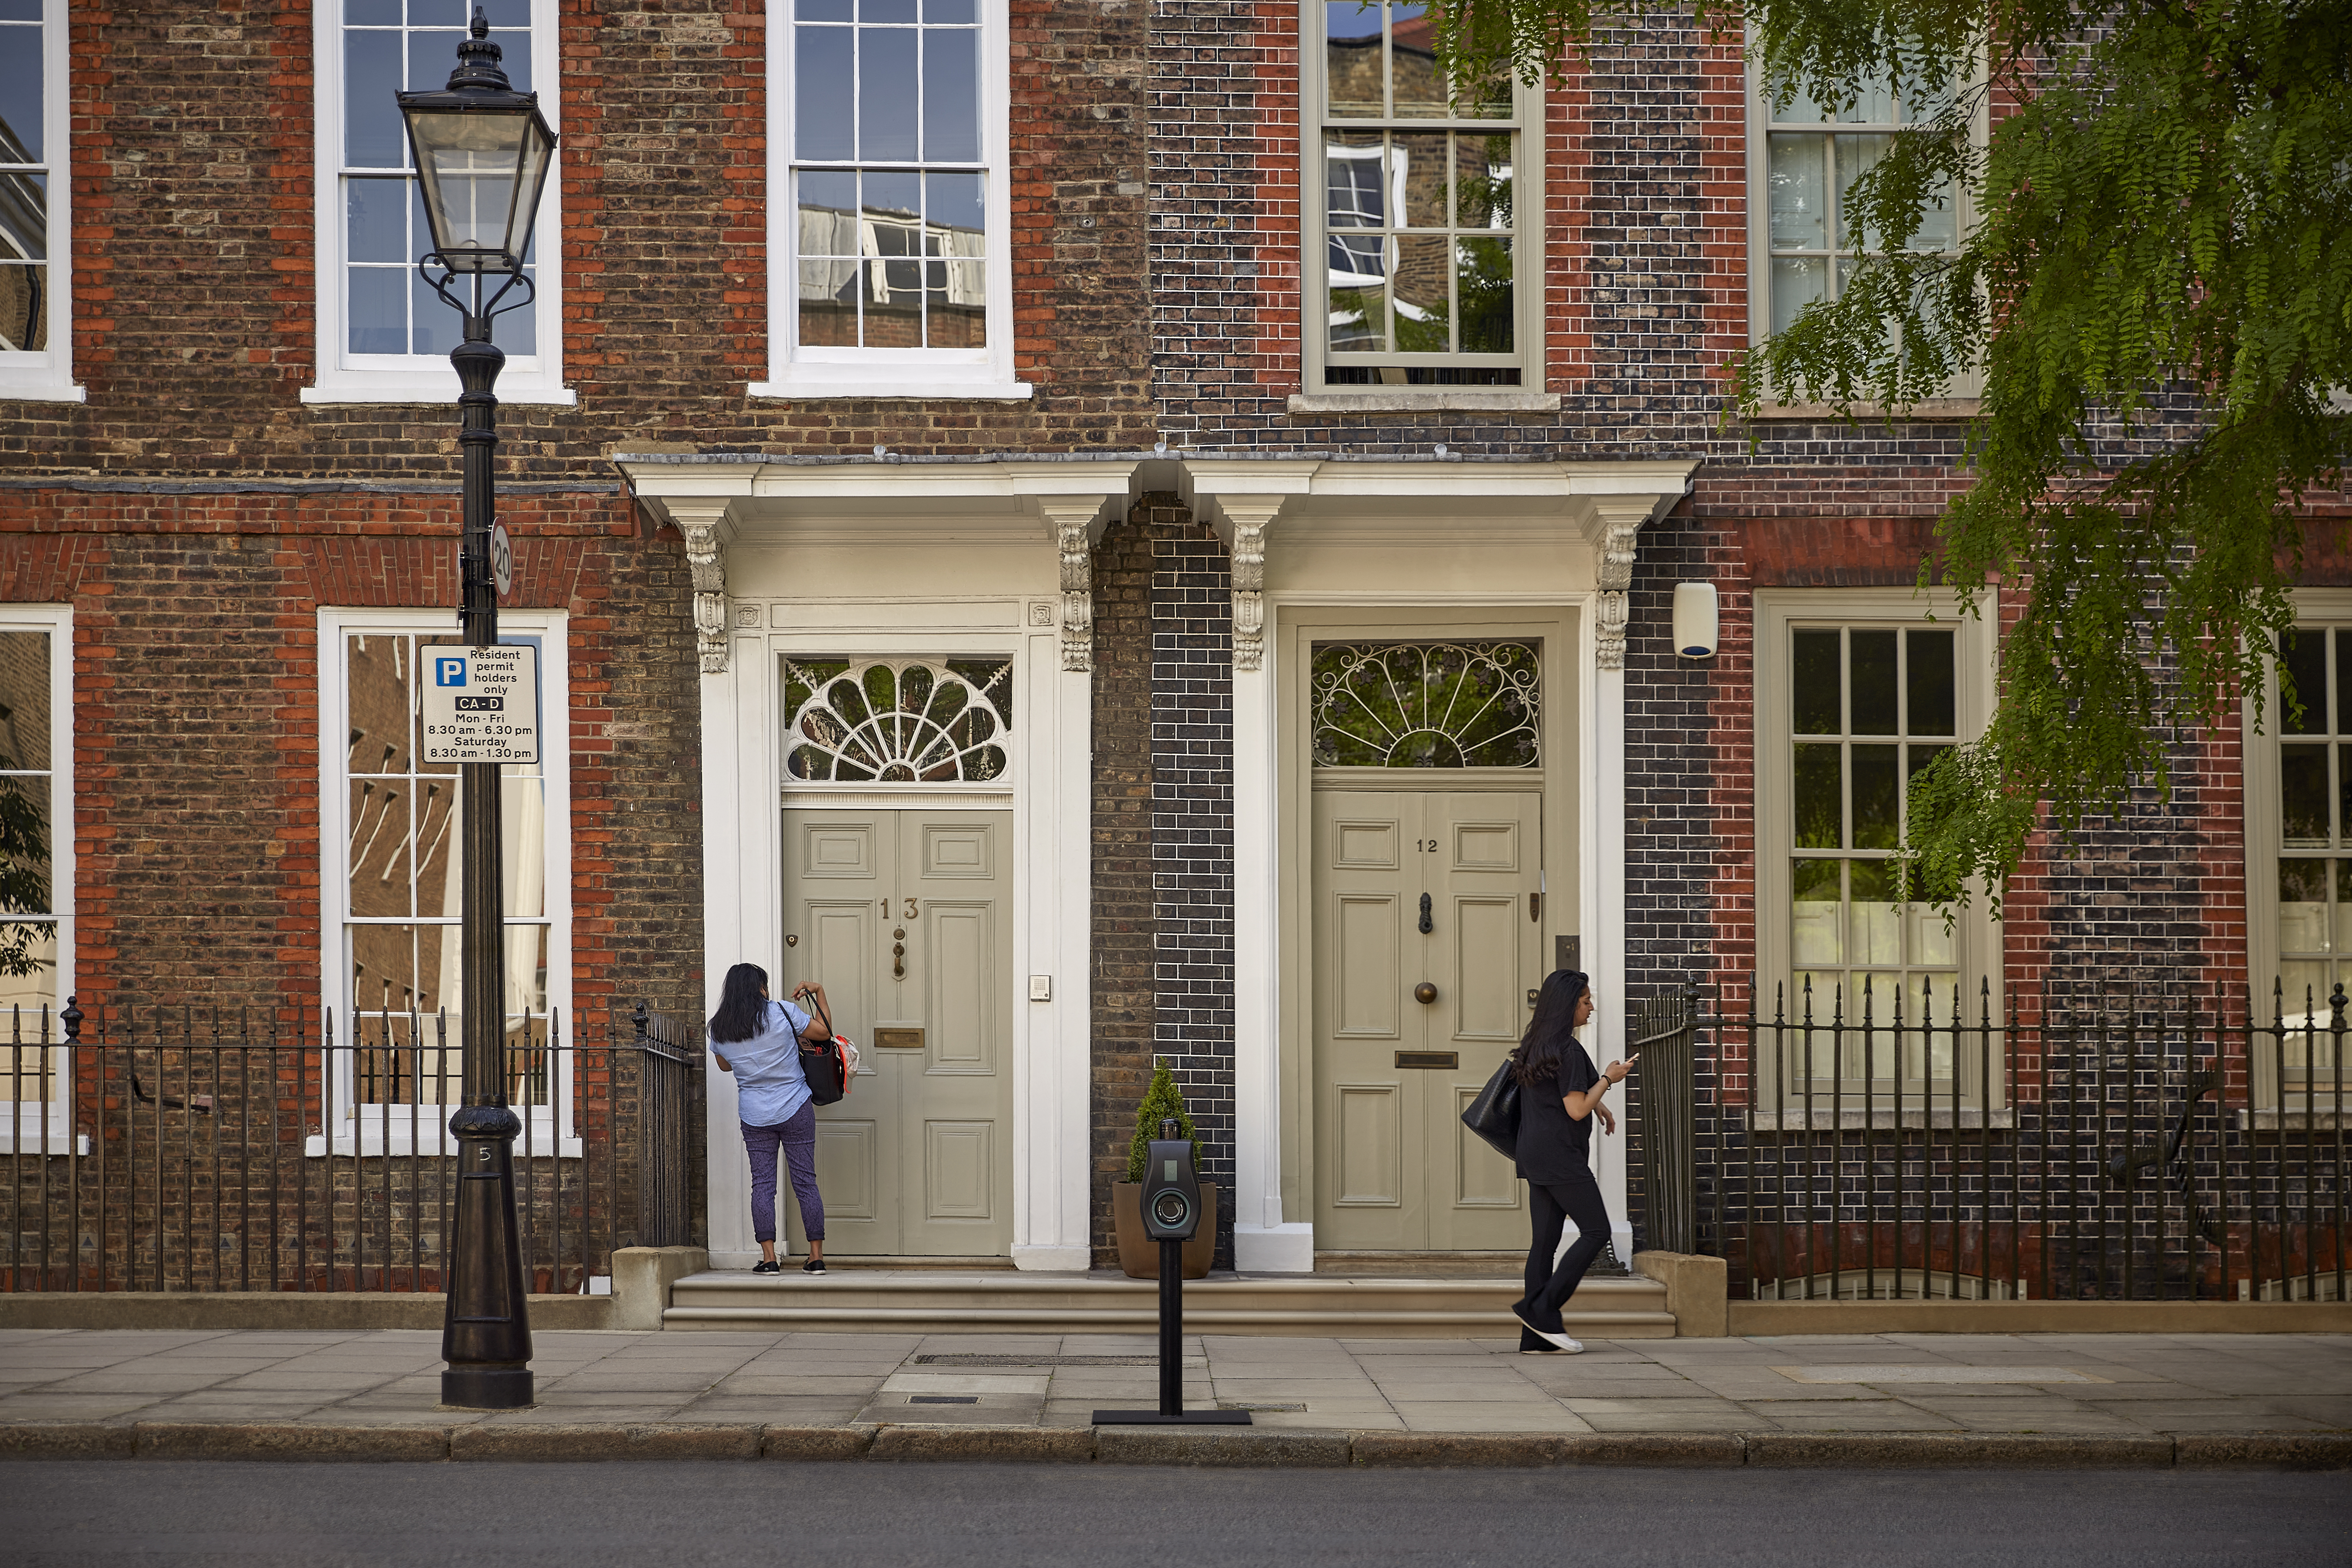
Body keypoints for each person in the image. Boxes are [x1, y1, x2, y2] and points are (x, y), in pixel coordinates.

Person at [1507, 968, 1636, 1354]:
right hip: (1561, 1156)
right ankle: (1542, 1309)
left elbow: (1558, 1099)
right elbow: (1576, 1108)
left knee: (1543, 1245)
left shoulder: (1535, 1044)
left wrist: (1602, 1105)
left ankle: (1534, 1337)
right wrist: (1610, 1079)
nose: (1591, 1007)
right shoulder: (1568, 1048)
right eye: (1584, 1001)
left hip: (1534, 1151)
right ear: (1567, 1006)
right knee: (1596, 1232)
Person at [709, 962, 835, 1276]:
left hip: (754, 1114)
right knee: (805, 1182)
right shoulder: (781, 1012)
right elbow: (823, 1034)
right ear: (760, 988)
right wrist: (819, 993)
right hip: (795, 1107)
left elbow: (725, 1067)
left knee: (763, 1185)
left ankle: (769, 1259)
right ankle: (816, 1257)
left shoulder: (718, 1028)